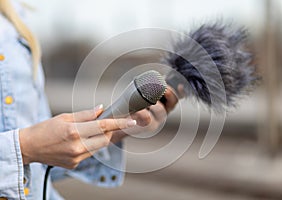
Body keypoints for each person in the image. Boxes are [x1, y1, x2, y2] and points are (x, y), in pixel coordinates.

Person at [0, 0, 179, 199]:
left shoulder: (16, 24)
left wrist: (115, 129)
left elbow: (40, 169)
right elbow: (28, 150)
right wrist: (25, 147)